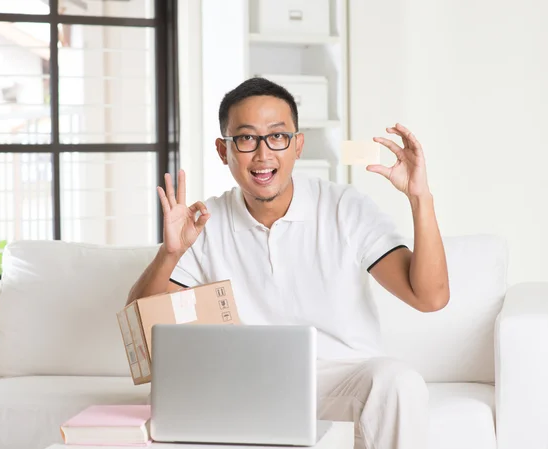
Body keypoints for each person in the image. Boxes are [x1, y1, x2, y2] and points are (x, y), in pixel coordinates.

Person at [127, 77, 449, 449]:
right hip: (247, 382)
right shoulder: (204, 222)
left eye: (277, 137)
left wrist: (419, 198)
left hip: (342, 376)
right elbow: (139, 329)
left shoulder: (345, 208)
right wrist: (170, 253)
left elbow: (431, 297)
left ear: (297, 145)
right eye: (246, 138)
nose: (263, 155)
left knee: (398, 380)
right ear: (223, 149)